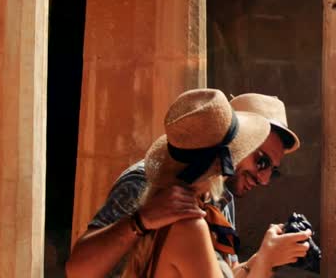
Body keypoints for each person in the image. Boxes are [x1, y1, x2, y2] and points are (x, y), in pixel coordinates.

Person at [66, 92, 310, 278]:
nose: (264, 179)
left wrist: (262, 258)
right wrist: (140, 221)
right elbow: (77, 270)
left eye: (273, 171)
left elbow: (214, 269)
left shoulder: (220, 196)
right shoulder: (146, 185)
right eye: (261, 161)